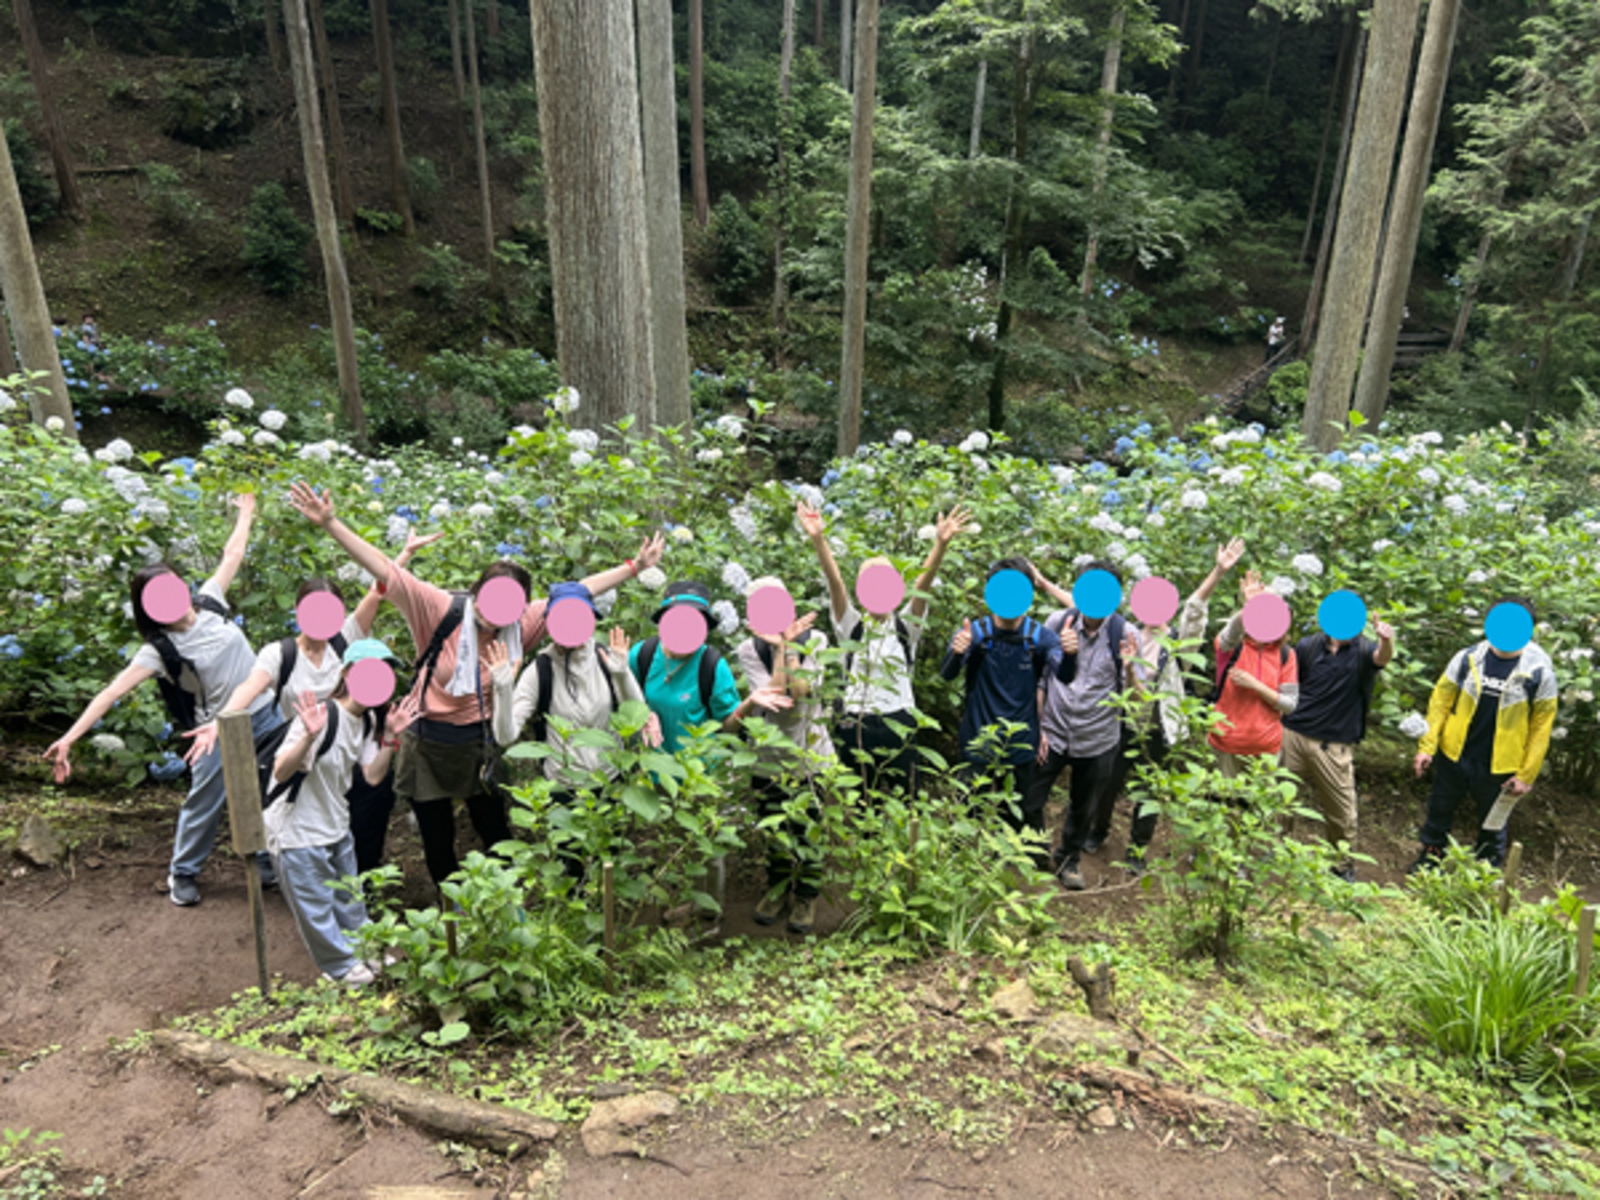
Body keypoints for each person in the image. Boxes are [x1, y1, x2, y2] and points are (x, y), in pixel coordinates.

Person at [288, 480, 665, 889]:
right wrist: (331, 524)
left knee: (494, 830)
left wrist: (635, 567)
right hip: (427, 738)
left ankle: (504, 907)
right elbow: (385, 569)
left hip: (479, 743)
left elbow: (580, 592)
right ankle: (453, 915)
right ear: (477, 592)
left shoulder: (522, 625)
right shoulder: (438, 609)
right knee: (437, 839)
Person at [43, 494, 283, 907]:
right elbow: (112, 692)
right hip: (217, 730)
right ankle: (183, 872)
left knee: (267, 790)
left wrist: (245, 513)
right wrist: (69, 738)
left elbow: (233, 553)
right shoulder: (159, 649)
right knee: (205, 801)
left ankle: (263, 862)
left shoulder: (211, 601)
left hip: (265, 714)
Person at [181, 529, 444, 873]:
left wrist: (405, 553)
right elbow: (250, 687)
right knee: (311, 832)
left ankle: (360, 890)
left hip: (353, 750)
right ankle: (312, 892)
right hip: (307, 753)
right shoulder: (281, 654)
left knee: (366, 823)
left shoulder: (346, 639)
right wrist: (220, 722)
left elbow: (378, 590)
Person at [1041, 539, 1246, 879]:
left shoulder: (1180, 641)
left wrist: (1218, 571)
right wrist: (1046, 584)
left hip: (1158, 729)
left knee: (1150, 792)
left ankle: (1137, 851)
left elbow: (1196, 609)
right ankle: (1097, 833)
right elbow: (1082, 609)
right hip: (1121, 723)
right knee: (1106, 786)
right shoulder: (1126, 632)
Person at [267, 640, 420, 985]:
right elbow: (280, 771)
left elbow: (373, 775)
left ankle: (365, 953)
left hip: (336, 824)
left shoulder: (366, 720)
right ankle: (341, 967)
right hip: (297, 829)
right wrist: (307, 738)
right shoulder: (322, 715)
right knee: (317, 905)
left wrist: (391, 738)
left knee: (351, 900)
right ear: (348, 674)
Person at [797, 501, 972, 795]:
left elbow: (924, 584)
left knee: (907, 798)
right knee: (860, 800)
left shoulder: (906, 626)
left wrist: (941, 545)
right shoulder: (850, 625)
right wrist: (818, 539)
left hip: (900, 719)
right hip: (855, 720)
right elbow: (835, 582)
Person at [485, 582, 645, 878]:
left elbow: (637, 716)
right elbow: (506, 736)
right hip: (561, 788)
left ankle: (605, 919)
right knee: (570, 871)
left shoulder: (606, 660)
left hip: (608, 784)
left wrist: (621, 674)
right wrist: (503, 687)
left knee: (607, 868)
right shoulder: (540, 670)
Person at [1411, 598, 1558, 870]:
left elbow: (1541, 729)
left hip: (1501, 764)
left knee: (1493, 824)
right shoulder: (1467, 658)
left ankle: (1484, 876)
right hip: (1454, 753)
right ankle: (1429, 860)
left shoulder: (1539, 673)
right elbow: (1440, 703)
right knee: (1439, 811)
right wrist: (1427, 747)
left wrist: (1526, 775)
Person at [940, 558, 1071, 858]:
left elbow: (1064, 674)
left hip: (1021, 739)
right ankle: (965, 864)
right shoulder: (974, 633)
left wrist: (1071, 654)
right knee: (970, 809)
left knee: (1018, 810)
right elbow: (947, 674)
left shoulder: (1041, 637)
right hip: (977, 738)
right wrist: (956, 653)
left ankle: (1016, 868)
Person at [1022, 560, 1139, 890]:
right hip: (1054, 732)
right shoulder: (1057, 622)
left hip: (1098, 736)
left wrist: (1130, 669)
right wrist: (1039, 726)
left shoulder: (1125, 634)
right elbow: (1041, 678)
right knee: (1031, 798)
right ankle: (1036, 854)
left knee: (1083, 805)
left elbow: (1137, 698)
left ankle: (1069, 857)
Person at [734, 577, 835, 935]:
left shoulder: (818, 641)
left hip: (811, 753)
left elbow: (803, 692)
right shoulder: (748, 649)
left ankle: (806, 895)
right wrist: (778, 649)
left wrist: (789, 646)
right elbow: (776, 694)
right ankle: (777, 889)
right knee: (774, 828)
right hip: (769, 756)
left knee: (808, 829)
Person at [1281, 615, 1395, 880]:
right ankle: (1274, 849)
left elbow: (1382, 658)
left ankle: (1342, 865)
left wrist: (1386, 640)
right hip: (1293, 734)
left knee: (1342, 812)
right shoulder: (1308, 646)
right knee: (1279, 798)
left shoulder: (1365, 650)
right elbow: (1290, 683)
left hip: (1333, 745)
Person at [629, 581, 790, 754]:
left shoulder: (712, 665)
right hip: (649, 770)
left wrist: (748, 703)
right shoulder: (642, 655)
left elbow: (727, 728)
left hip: (697, 773)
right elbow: (626, 703)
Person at [1209, 569, 1299, 774]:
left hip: (1266, 747)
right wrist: (1248, 606)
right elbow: (1230, 634)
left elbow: (1289, 704)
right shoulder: (1232, 647)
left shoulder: (1286, 654)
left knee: (1256, 805)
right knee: (1223, 803)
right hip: (1226, 742)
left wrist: (1256, 685)